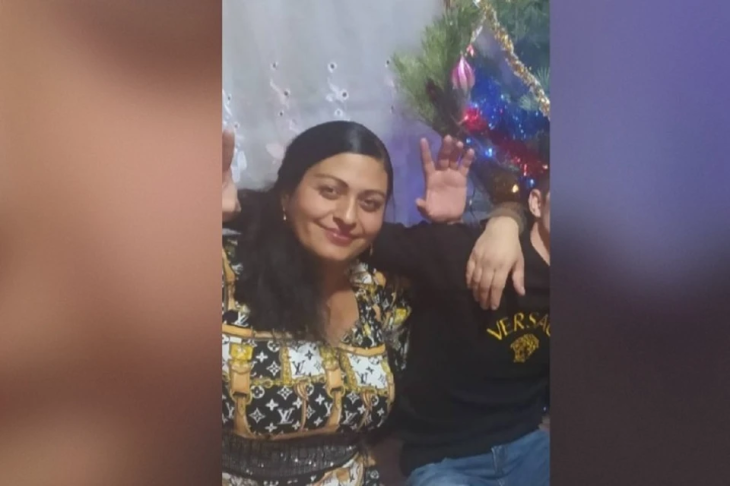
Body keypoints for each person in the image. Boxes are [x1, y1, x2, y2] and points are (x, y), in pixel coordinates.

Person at [221, 120, 524, 485]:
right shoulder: (227, 273)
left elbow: (458, 346)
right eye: (330, 191)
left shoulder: (381, 289)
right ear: (287, 195)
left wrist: (490, 222)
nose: (348, 217)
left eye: (370, 203)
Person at [367, 158, 550, 485]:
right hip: (445, 459)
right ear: (536, 203)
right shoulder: (466, 251)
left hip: (531, 447)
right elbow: (357, 234)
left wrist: (507, 216)